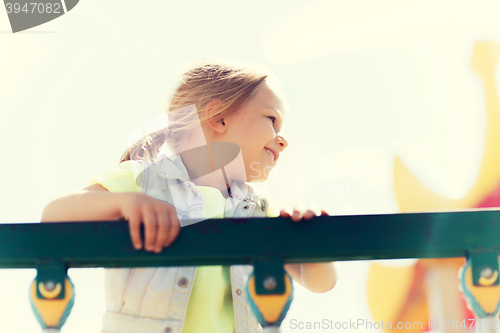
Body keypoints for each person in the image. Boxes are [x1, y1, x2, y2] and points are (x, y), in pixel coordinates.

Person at [41, 60, 339, 333]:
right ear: (218, 118)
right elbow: (54, 215)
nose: (282, 139)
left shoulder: (257, 211)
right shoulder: (144, 180)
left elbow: (321, 283)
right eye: (271, 120)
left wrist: (312, 240)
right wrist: (126, 202)